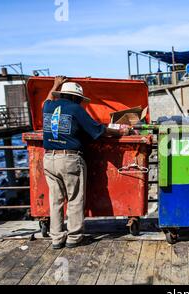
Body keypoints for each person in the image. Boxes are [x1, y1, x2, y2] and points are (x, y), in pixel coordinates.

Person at [43, 76, 130, 249]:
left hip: (48, 159)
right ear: (76, 98)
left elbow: (48, 98)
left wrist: (55, 84)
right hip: (69, 159)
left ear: (61, 94)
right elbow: (99, 130)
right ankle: (74, 238)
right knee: (75, 198)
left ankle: (56, 238)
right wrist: (122, 132)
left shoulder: (48, 106)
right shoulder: (76, 109)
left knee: (56, 200)